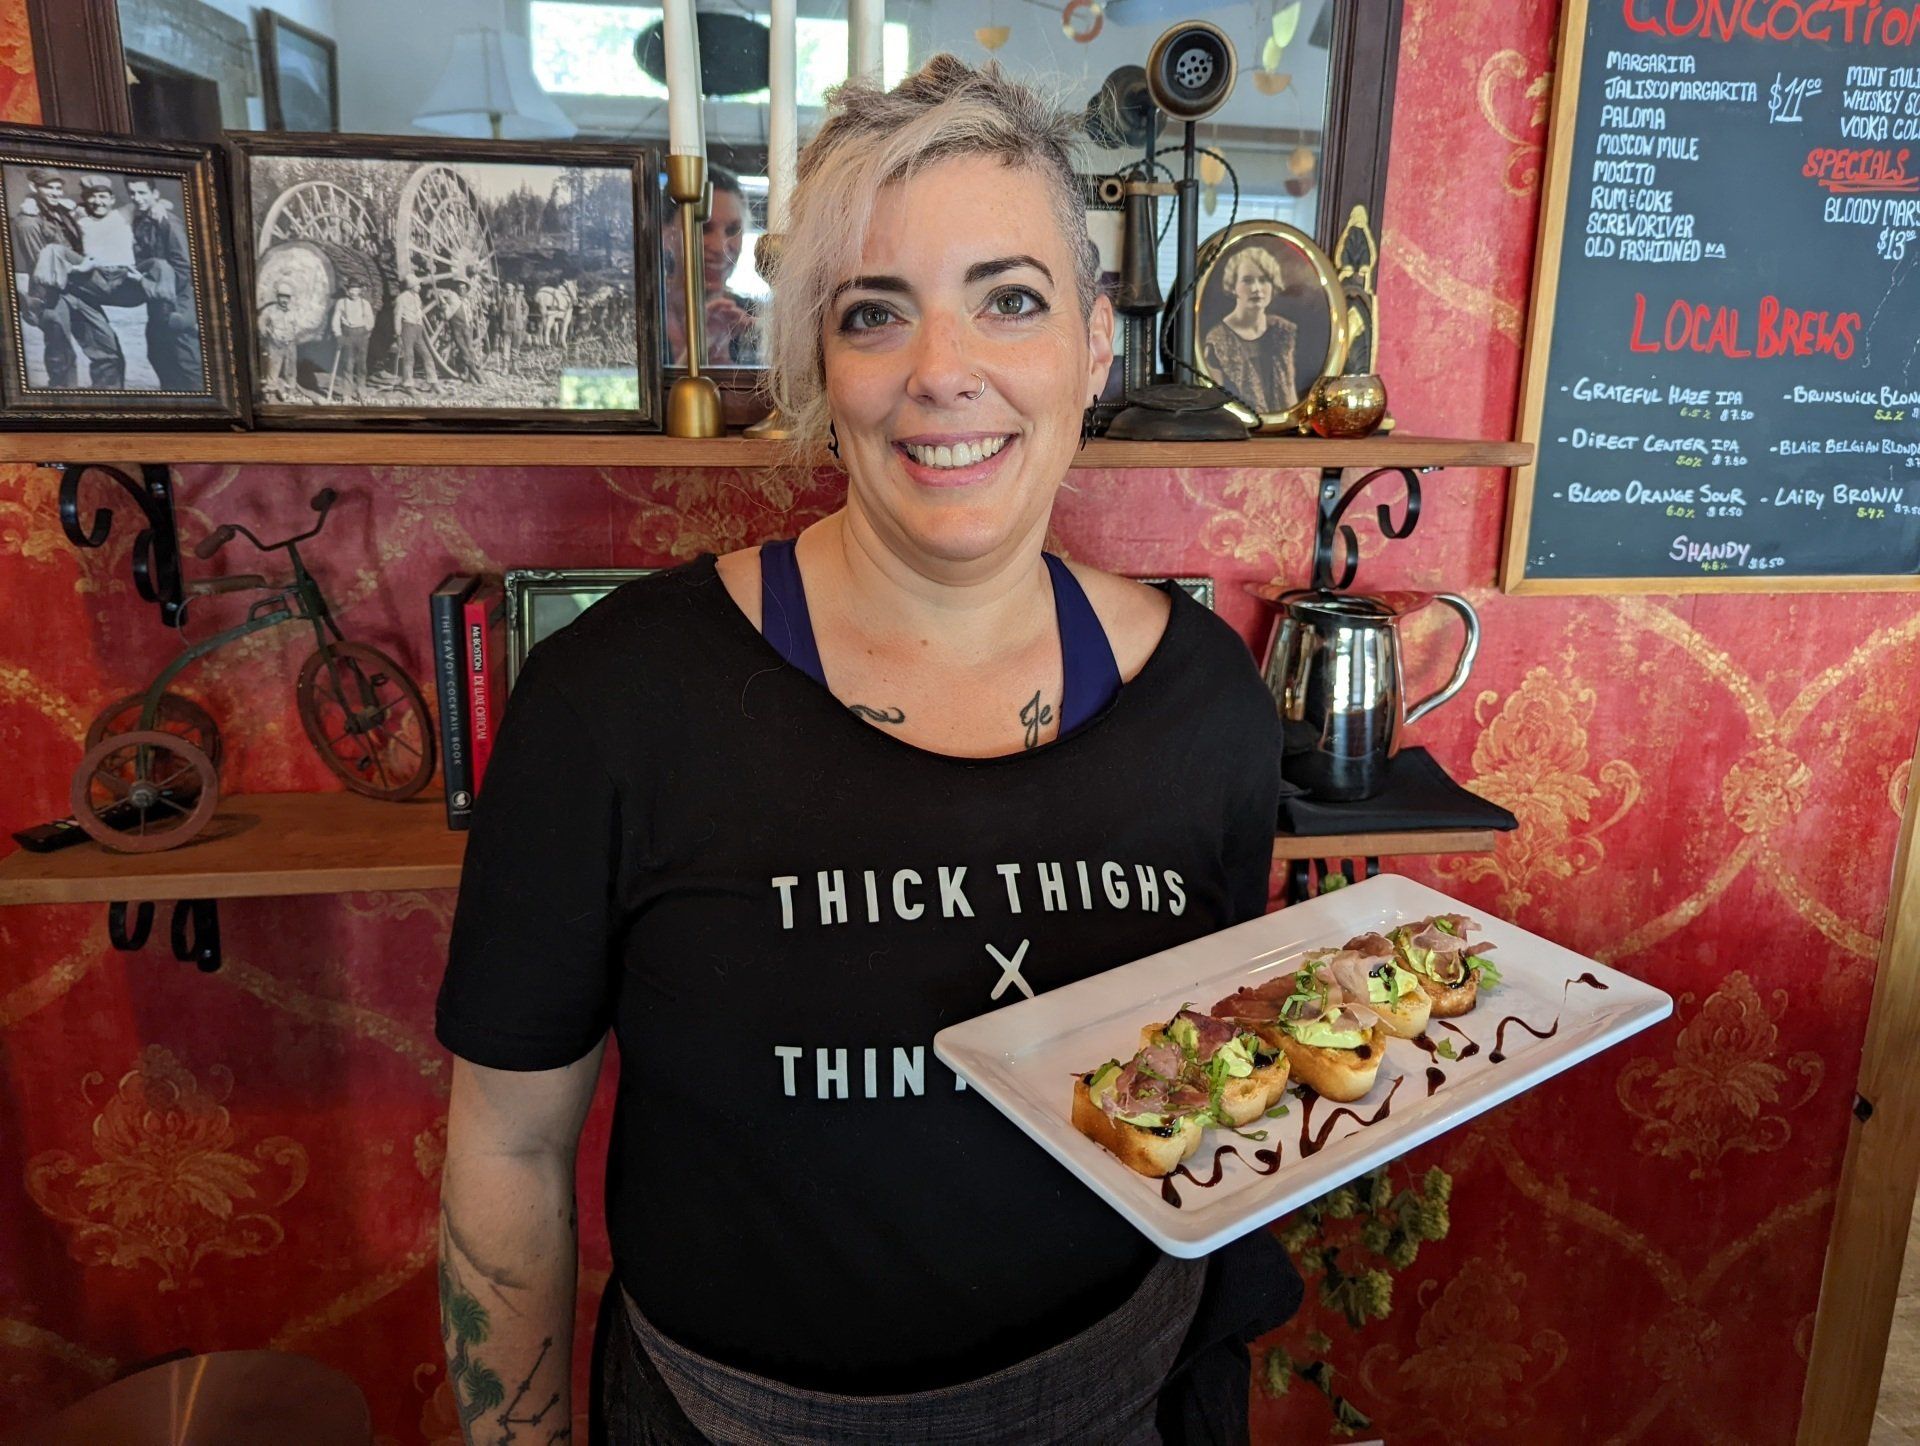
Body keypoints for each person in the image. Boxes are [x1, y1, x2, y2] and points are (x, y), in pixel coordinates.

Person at [436, 55, 1297, 1446]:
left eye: (1009, 300)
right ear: (821, 370)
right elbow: (508, 1139)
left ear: (1094, 344)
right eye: (875, 313)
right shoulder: (616, 699)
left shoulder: (1208, 702)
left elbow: (1208, 1083)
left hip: (1120, 1401)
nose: (942, 372)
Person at [663, 163, 759, 365]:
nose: (720, 247)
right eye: (703, 228)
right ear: (666, 233)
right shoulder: (638, 316)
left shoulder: (755, 320)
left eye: (732, 230)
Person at [1200, 244, 1299, 415]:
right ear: (1233, 286)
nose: (1256, 289)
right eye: (1247, 280)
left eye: (1264, 280)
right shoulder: (1217, 340)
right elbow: (1215, 409)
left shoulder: (1282, 331)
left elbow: (1290, 393)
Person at [9, 167, 84, 385]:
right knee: (61, 354)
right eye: (49, 188)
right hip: (50, 292)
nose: (55, 193)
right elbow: (38, 264)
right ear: (34, 188)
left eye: (58, 188)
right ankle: (61, 398)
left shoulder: (61, 211)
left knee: (102, 346)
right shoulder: (28, 221)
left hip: (75, 287)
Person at [126, 175, 201, 391]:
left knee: (187, 364)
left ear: (155, 194)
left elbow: (183, 267)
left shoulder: (169, 223)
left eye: (142, 192)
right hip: (157, 303)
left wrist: (148, 284)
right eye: (132, 193)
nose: (137, 198)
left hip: (177, 302)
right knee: (159, 356)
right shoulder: (141, 221)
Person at [328, 278, 374, 400]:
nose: (353, 292)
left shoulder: (365, 303)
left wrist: (366, 330)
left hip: (362, 335)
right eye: (351, 289)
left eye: (356, 289)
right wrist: (338, 334)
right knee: (348, 365)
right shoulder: (341, 302)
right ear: (347, 290)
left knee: (362, 365)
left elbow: (370, 320)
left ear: (360, 290)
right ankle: (347, 393)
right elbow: (336, 320)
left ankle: (361, 391)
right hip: (347, 334)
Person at [391, 276, 437, 391]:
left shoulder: (417, 297)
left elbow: (419, 313)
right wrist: (398, 334)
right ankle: (408, 384)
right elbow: (397, 317)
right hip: (408, 328)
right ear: (411, 286)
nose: (419, 287)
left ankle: (433, 382)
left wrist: (420, 325)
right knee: (409, 357)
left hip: (418, 329)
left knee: (427, 355)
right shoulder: (401, 298)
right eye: (417, 285)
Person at [257, 281, 302, 396]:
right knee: (273, 366)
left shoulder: (294, 311)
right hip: (275, 342)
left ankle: (290, 388)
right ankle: (271, 388)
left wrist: (294, 334)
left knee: (290, 367)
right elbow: (261, 322)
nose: (284, 300)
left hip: (290, 342)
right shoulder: (269, 310)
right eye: (282, 296)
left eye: (287, 297)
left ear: (290, 298)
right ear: (277, 297)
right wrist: (266, 332)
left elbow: (298, 325)